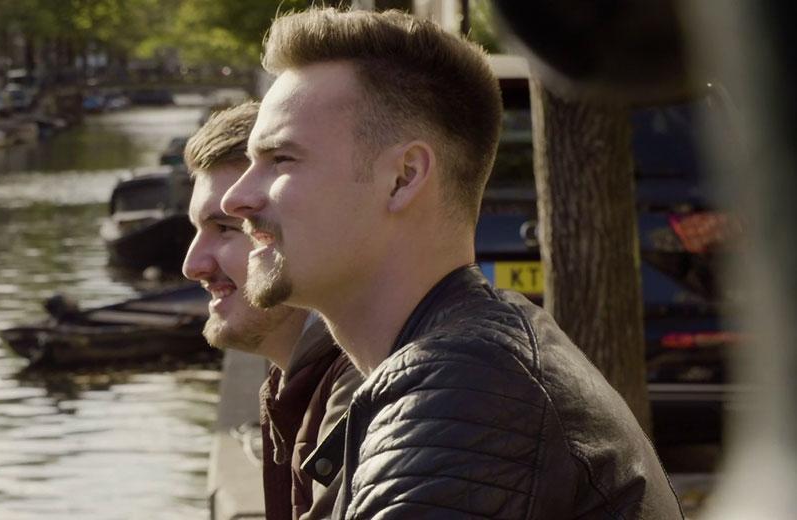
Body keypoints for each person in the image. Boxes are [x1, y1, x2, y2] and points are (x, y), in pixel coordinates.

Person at [220, 8, 682, 519]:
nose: (236, 199)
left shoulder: (467, 388)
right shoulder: (463, 362)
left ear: (403, 177)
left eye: (280, 159)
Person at [181, 101, 363, 520]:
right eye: (196, 230)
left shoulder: (362, 390)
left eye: (225, 228)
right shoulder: (305, 378)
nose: (192, 265)